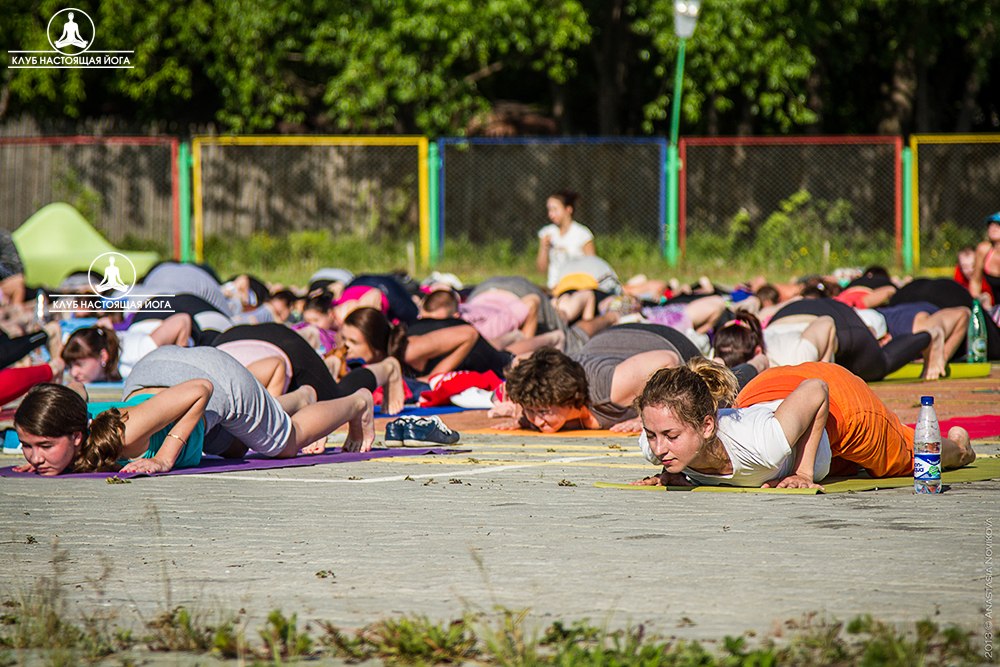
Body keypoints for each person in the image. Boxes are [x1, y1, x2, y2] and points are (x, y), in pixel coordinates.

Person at [634, 360, 975, 489]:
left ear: (707, 427)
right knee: (846, 465)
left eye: (670, 436)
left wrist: (803, 473)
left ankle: (958, 446)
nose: (659, 447)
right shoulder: (657, 446)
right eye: (652, 435)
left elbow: (816, 390)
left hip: (836, 401)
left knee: (908, 460)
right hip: (768, 396)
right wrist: (679, 470)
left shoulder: (761, 445)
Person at [500, 324, 699, 433]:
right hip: (606, 341)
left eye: (542, 411)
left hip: (666, 341)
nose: (537, 421)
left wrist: (646, 416)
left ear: (568, 399)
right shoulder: (541, 405)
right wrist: (522, 409)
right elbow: (519, 361)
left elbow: (668, 360)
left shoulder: (611, 386)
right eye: (531, 411)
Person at [212, 322, 405, 414]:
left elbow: (275, 366)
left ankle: (389, 368)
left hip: (283, 348)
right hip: (231, 337)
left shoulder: (223, 391)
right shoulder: (199, 391)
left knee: (338, 399)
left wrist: (274, 413)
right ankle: (327, 365)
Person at [341, 307, 514, 381]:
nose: (346, 348)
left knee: (513, 361)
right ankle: (513, 338)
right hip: (462, 346)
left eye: (354, 342)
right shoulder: (387, 351)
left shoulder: (410, 350)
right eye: (344, 339)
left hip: (487, 360)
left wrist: (433, 378)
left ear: (376, 345)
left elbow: (470, 334)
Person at [61, 314, 193, 382]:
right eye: (71, 365)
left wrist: (181, 363)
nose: (73, 372)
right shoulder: (100, 356)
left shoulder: (140, 352)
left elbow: (182, 320)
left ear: (103, 356)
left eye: (79, 364)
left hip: (156, 318)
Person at [536, 190, 595, 289]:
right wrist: (544, 248)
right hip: (553, 287)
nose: (550, 214)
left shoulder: (582, 234)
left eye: (555, 209)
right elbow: (541, 270)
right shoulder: (547, 233)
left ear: (568, 209)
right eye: (549, 210)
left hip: (575, 288)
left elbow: (593, 266)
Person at [969, 212, 1000, 309]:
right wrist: (978, 301)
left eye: (998, 225)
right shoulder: (984, 250)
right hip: (992, 308)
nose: (993, 228)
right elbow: (975, 281)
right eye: (990, 224)